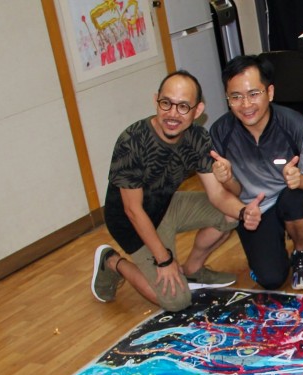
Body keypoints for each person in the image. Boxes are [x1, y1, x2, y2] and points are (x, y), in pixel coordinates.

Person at [91, 70, 262, 312]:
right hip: (131, 223)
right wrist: (165, 260)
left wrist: (244, 212)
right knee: (176, 301)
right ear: (156, 101)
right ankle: (111, 261)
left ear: (197, 110)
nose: (172, 114)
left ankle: (193, 270)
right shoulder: (132, 141)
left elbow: (218, 194)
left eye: (183, 107)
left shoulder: (196, 137)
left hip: (166, 204)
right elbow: (132, 210)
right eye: (166, 103)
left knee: (230, 213)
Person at [209, 55, 303, 290]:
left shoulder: (293, 123)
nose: (246, 105)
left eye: (253, 94)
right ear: (227, 99)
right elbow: (230, 193)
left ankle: (301, 252)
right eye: (236, 97)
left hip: (288, 197)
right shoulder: (220, 132)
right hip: (254, 209)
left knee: (296, 198)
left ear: (269, 92)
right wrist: (227, 180)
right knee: (270, 279)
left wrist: (300, 180)